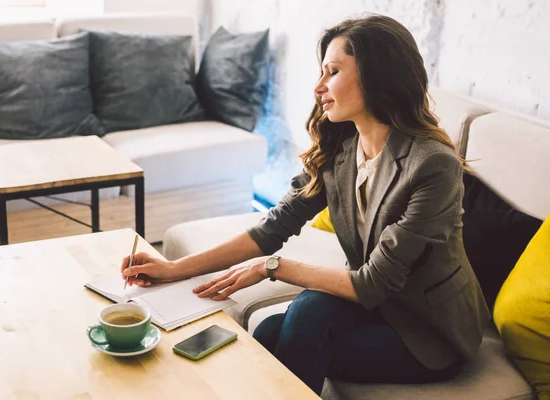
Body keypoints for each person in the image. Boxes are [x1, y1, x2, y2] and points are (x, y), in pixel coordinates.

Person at [121, 14, 490, 395]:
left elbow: (373, 283)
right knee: (269, 329)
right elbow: (273, 228)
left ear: (376, 75)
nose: (318, 87)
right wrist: (172, 268)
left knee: (306, 318)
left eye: (332, 72)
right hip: (374, 308)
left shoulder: (432, 165)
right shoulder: (343, 148)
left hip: (428, 334)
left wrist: (273, 268)